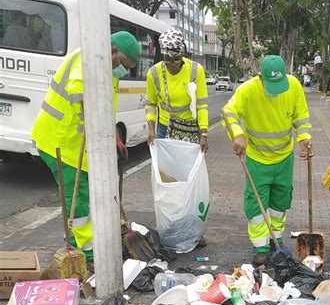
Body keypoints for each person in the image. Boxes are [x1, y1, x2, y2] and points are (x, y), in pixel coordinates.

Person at [31, 31, 140, 262]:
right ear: (112, 51)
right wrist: (89, 116)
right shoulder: (87, 59)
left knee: (87, 194)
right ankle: (85, 250)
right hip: (60, 141)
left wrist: (115, 136)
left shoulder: (109, 69)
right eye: (123, 64)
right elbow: (77, 91)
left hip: (75, 143)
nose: (123, 71)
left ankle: (75, 238)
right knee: (77, 196)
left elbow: (106, 106)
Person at [222, 55, 313, 265]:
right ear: (260, 78)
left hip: (283, 158)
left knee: (280, 203)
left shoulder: (293, 86)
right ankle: (260, 246)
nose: (275, 91)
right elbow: (228, 112)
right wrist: (237, 134)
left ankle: (276, 239)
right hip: (257, 159)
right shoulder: (247, 90)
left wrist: (304, 138)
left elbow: (301, 116)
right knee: (257, 204)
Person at [145, 28, 209, 153]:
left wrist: (204, 134)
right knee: (166, 170)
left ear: (182, 54)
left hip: (190, 128)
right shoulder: (153, 73)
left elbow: (202, 106)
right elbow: (151, 104)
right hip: (165, 128)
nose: (173, 65)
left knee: (187, 169)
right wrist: (151, 130)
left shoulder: (196, 70)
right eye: (168, 62)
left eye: (176, 61)